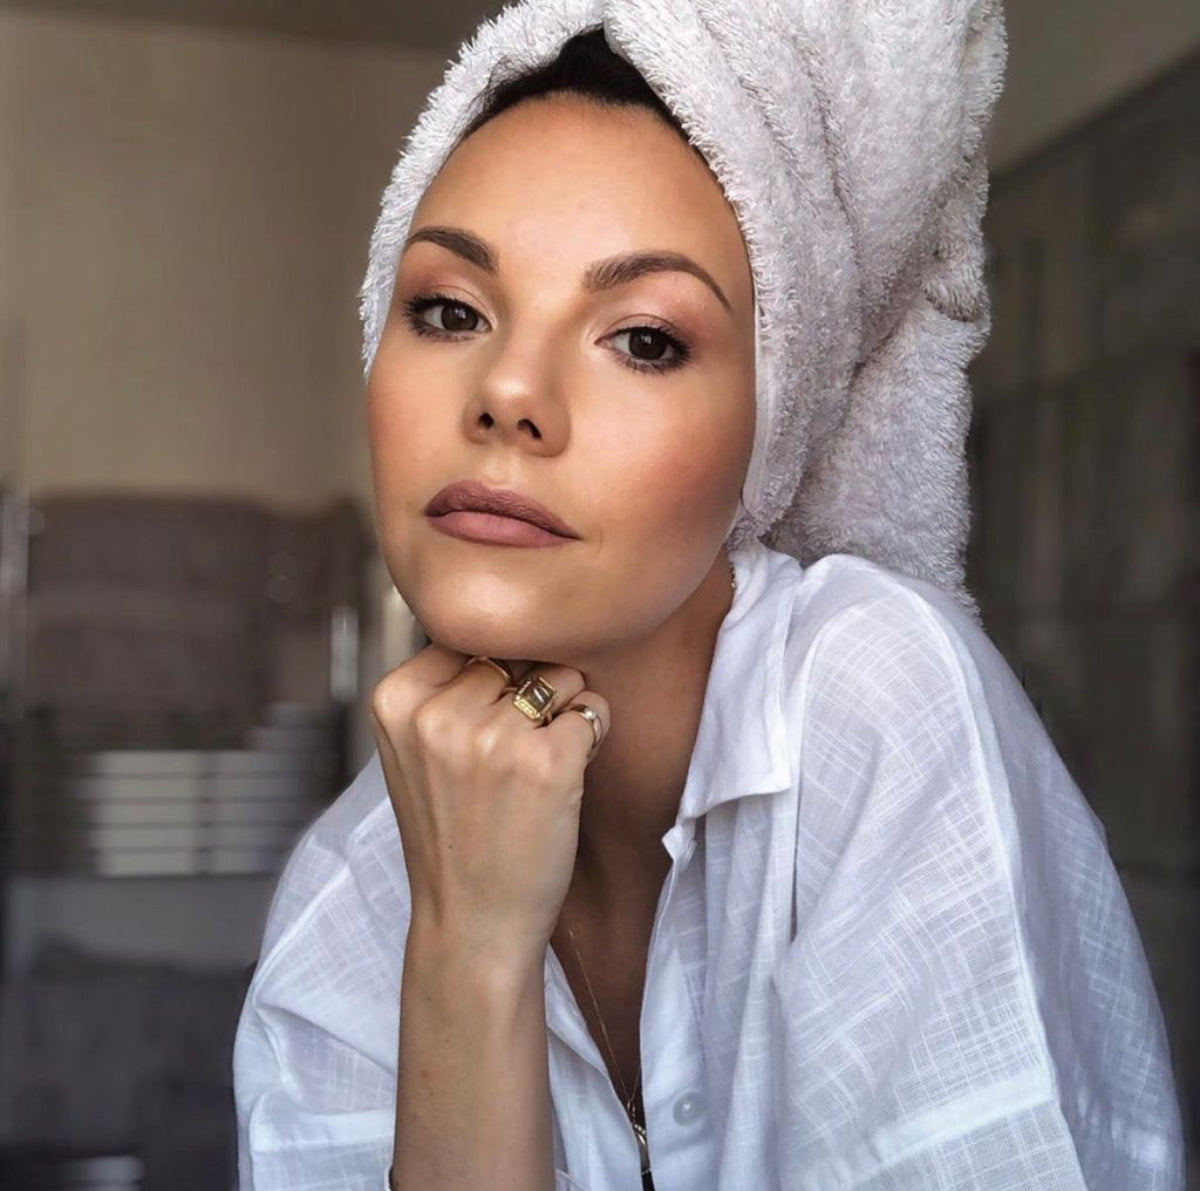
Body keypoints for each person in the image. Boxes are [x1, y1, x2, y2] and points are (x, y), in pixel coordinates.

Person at [232, 7, 1186, 1191]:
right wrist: (466, 956)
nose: (509, 392)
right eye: (450, 311)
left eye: (641, 338)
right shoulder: (348, 893)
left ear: (767, 430)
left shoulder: (872, 705)